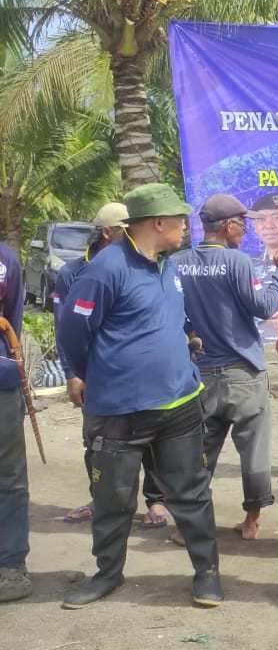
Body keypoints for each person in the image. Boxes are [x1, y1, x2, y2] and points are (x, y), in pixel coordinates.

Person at [57, 183, 222, 609]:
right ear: (158, 222)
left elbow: (172, 319)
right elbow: (73, 332)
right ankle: (107, 575)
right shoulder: (107, 269)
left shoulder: (168, 265)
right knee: (113, 498)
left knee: (192, 493)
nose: (187, 227)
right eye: (180, 220)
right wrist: (87, 373)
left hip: (180, 405)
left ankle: (206, 574)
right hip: (119, 410)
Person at [172, 194, 278, 541]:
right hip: (243, 374)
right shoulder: (237, 262)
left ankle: (188, 528)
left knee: (200, 453)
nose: (247, 230)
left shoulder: (178, 262)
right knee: (253, 451)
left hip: (201, 371)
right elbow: (263, 304)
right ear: (228, 226)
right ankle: (251, 521)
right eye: (243, 223)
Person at [54, 202, 170, 527]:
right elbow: (65, 327)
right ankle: (101, 498)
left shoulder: (147, 265)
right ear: (107, 232)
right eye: (125, 229)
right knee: (97, 442)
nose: (134, 235)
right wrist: (73, 373)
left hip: (141, 373)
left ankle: (157, 501)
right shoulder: (72, 273)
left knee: (152, 437)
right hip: (97, 375)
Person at [0, 240, 28, 603]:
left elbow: (15, 319)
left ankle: (10, 565)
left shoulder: (6, 258)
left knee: (10, 478)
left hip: (2, 383)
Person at [250, 191, 278, 344]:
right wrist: (263, 314)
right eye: (261, 219)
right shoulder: (246, 266)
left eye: (277, 218)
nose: (269, 226)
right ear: (255, 226)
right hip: (258, 350)